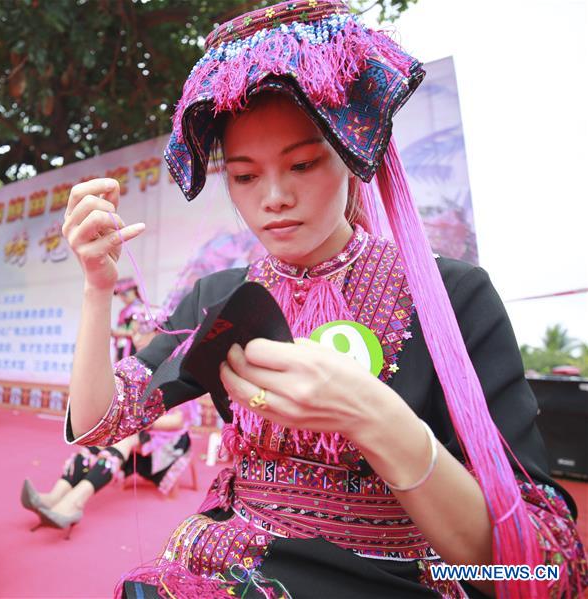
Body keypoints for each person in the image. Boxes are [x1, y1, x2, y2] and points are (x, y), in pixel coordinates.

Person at [61, 3, 587, 597]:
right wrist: (96, 289)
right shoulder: (221, 295)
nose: (275, 197)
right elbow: (102, 424)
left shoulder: (450, 295)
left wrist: (376, 419)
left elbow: (543, 569)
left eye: (304, 163)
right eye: (245, 176)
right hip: (227, 565)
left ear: (353, 158)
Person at [22, 401, 196, 536]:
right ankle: (55, 496)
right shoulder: (138, 364)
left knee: (123, 441)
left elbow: (178, 420)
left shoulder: (177, 366)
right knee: (98, 442)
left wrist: (136, 421)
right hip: (135, 429)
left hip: (167, 440)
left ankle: (75, 502)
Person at [111, 278, 143, 360]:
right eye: (120, 294)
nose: (122, 298)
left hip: (134, 349)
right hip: (122, 348)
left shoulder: (140, 308)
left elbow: (135, 331)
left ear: (134, 291)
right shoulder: (123, 312)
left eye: (124, 293)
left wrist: (116, 332)